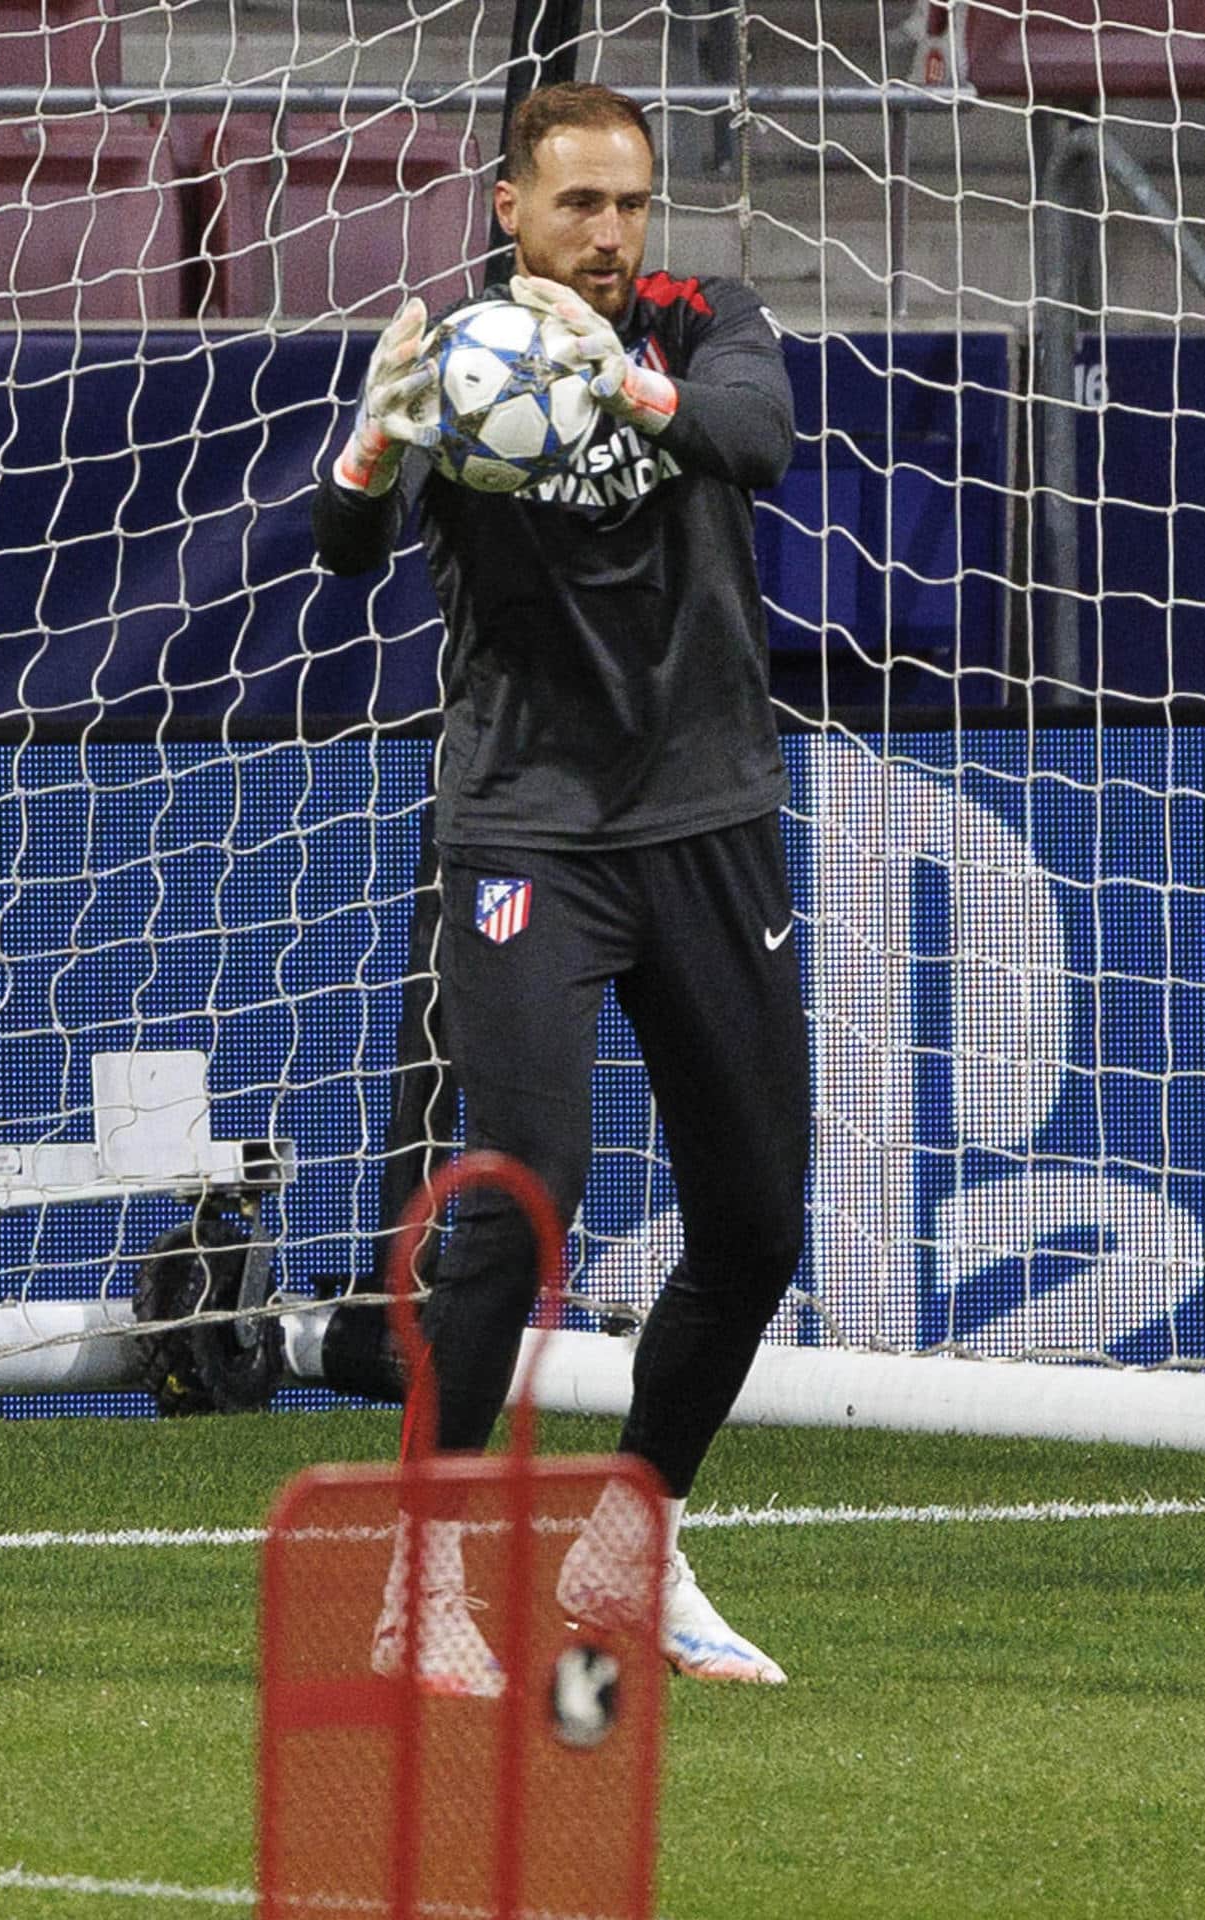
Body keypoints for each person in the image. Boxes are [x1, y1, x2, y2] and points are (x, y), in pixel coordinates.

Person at [312, 81, 810, 1691]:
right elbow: (341, 546)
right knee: (525, 1187)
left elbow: (760, 443)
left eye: (630, 204)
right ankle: (421, 1581)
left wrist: (635, 388)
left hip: (709, 818)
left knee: (751, 1218)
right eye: (578, 204)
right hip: (526, 829)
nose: (609, 235)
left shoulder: (697, 317)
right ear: (509, 206)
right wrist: (375, 435)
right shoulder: (459, 364)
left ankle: (629, 1553)